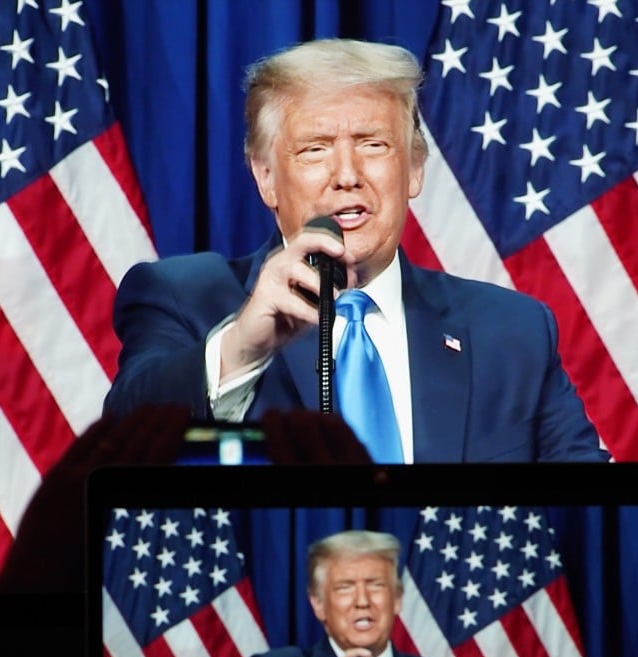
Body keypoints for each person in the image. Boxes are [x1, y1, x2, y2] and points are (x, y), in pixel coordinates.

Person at [103, 38, 609, 464]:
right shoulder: (185, 298)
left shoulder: (512, 332)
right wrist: (242, 347)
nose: (347, 176)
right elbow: (118, 451)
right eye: (314, 149)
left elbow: (597, 518)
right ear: (265, 178)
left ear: (414, 169)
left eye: (372, 144)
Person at [242, 530, 474, 657]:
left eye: (376, 585)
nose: (362, 601)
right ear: (318, 604)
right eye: (345, 587)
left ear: (397, 599)